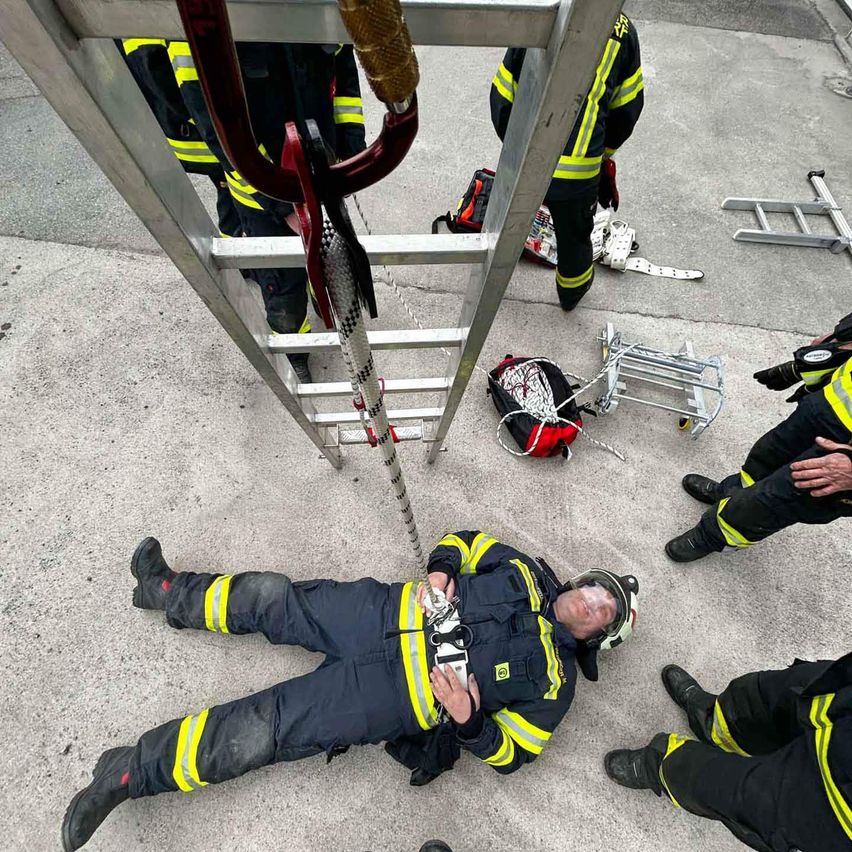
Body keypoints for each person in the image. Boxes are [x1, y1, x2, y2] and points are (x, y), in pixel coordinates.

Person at [61, 530, 639, 850]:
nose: (592, 600)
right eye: (596, 588)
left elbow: (515, 755)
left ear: (598, 638)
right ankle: (166, 591)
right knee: (271, 598)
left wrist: (466, 718)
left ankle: (130, 773)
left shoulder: (558, 688)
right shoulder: (521, 569)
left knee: (260, 731)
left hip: (386, 699)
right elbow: (462, 543)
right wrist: (439, 574)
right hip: (376, 611)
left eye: (603, 610)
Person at [604, 654, 852, 852]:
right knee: (780, 694)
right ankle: (712, 721)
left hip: (839, 805)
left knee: (732, 790)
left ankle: (657, 766)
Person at [666, 312, 852, 561]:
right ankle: (730, 491)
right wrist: (837, 341)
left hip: (845, 461)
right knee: (768, 455)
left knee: (778, 500)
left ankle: (714, 535)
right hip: (830, 404)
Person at [490, 12, 644, 311]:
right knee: (575, 242)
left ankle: (492, 278)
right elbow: (627, 110)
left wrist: (513, 146)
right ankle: (570, 295)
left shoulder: (542, 11)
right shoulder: (623, 30)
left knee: (505, 222)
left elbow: (503, 93)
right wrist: (604, 154)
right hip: (577, 175)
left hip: (526, 161)